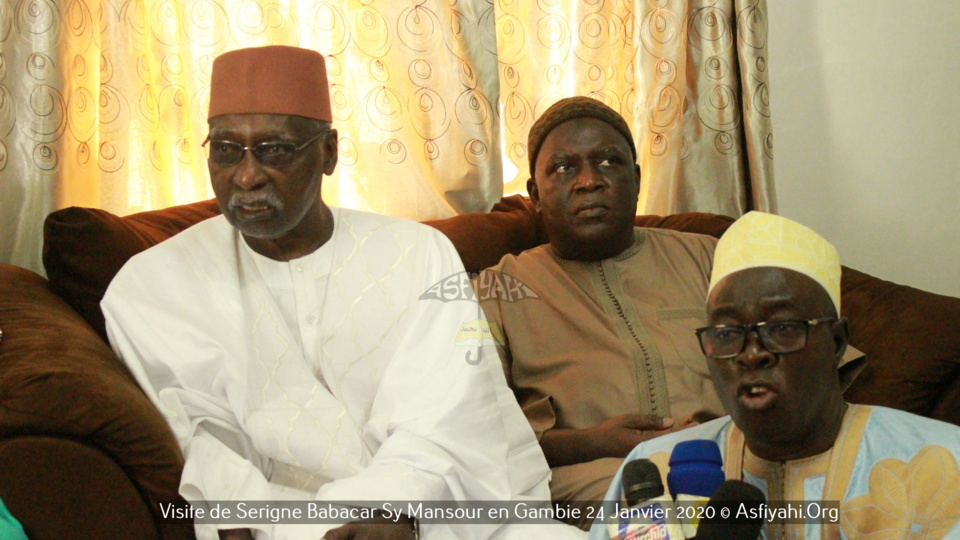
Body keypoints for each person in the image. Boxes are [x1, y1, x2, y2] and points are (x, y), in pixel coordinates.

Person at [102, 46, 572, 540]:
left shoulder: (418, 254)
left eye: (274, 149)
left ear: (328, 152)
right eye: (224, 149)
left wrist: (393, 510)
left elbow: (450, 409)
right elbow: (201, 443)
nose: (246, 175)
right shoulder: (153, 287)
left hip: (433, 510)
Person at [588, 211, 960, 539]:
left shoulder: (943, 468)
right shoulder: (654, 469)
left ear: (836, 342)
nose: (752, 354)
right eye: (727, 333)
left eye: (782, 328)